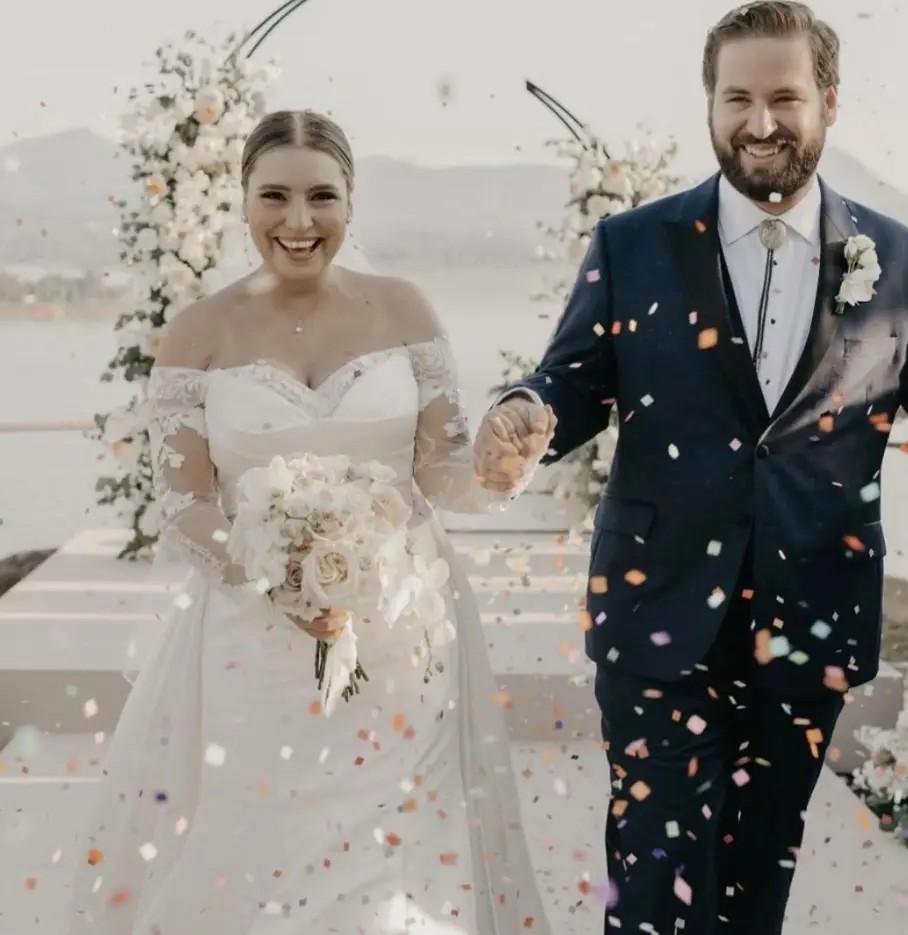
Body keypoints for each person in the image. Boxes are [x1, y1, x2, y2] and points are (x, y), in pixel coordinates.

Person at [475, 2, 908, 933]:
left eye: (785, 98)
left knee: (754, 882)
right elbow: (568, 384)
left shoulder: (902, 261)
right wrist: (524, 414)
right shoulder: (633, 244)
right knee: (652, 878)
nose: (761, 123)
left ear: (829, 103)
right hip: (657, 610)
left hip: (810, 621)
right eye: (739, 98)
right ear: (708, 105)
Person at [67, 108, 556, 934]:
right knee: (258, 846)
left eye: (321, 196)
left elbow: (440, 474)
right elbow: (183, 506)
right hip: (250, 640)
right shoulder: (197, 332)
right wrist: (274, 575)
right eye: (276, 196)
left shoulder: (404, 310)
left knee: (394, 859)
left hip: (404, 638)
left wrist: (498, 472)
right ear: (244, 200)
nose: (299, 222)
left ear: (351, 204)